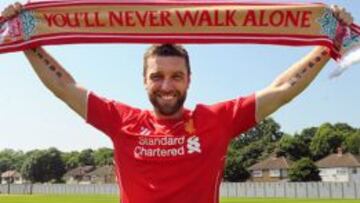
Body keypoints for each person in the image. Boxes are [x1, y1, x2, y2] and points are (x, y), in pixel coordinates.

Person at [1, 2, 354, 203]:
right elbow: (64, 86)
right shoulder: (120, 119)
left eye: (175, 76)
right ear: (144, 81)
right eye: (157, 76)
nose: (166, 85)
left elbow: (283, 88)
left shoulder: (217, 120)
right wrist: (26, 39)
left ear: (189, 80)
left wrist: (327, 46)